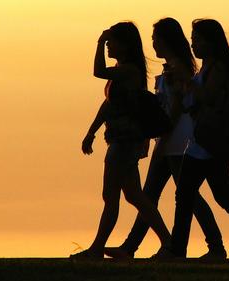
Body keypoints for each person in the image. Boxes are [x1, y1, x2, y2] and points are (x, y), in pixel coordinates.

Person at [104, 17, 226, 260]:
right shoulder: (170, 67)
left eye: (155, 39)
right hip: (167, 139)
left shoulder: (178, 68)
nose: (153, 44)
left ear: (166, 40)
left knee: (185, 195)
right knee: (149, 195)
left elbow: (178, 107)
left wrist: (162, 134)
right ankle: (131, 247)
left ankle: (215, 246)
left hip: (177, 141)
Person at [70, 22, 172, 260]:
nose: (107, 46)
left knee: (111, 196)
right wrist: (91, 131)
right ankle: (168, 242)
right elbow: (107, 105)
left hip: (125, 142)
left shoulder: (130, 71)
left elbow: (98, 71)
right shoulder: (122, 72)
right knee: (134, 196)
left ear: (124, 45)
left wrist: (97, 42)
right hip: (121, 140)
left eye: (110, 42)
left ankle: (96, 249)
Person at [170, 19, 229, 259]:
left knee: (185, 194)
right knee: (221, 195)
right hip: (203, 142)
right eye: (193, 40)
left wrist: (188, 81)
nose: (194, 45)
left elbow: (208, 97)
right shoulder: (207, 67)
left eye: (198, 40)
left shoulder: (218, 68)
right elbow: (194, 103)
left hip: (207, 144)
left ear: (212, 42)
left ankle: (178, 251)